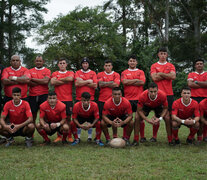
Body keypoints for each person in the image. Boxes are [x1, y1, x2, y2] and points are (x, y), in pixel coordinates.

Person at [150, 47, 176, 142]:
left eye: (165, 54)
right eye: (161, 53)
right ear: (158, 55)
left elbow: (173, 76)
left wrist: (160, 73)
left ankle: (171, 137)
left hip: (169, 94)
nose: (163, 55)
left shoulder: (171, 65)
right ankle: (154, 137)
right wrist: (166, 75)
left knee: (168, 117)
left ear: (167, 55)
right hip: (158, 94)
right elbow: (154, 78)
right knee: (157, 115)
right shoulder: (153, 66)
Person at [121, 55, 146, 144]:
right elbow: (124, 82)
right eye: (130, 61)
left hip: (139, 98)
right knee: (127, 118)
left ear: (136, 62)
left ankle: (141, 137)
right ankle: (125, 137)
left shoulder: (141, 72)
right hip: (128, 99)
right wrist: (136, 80)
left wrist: (130, 81)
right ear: (128, 62)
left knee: (140, 119)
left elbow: (142, 82)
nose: (132, 62)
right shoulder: (124, 72)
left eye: (134, 61)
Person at [51, 58, 74, 143]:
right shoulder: (55, 73)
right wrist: (65, 80)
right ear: (58, 65)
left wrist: (58, 80)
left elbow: (70, 79)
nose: (62, 64)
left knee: (68, 118)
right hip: (58, 100)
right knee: (58, 118)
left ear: (66, 64)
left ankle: (69, 136)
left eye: (64, 63)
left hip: (68, 99)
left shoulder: (70, 72)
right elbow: (53, 82)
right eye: (60, 63)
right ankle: (59, 136)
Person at [74, 57, 97, 141]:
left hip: (91, 98)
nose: (85, 65)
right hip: (79, 98)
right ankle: (78, 137)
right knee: (78, 118)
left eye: (86, 63)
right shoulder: (77, 72)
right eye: (83, 63)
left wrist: (82, 81)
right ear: (81, 64)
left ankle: (90, 137)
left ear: (88, 64)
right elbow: (77, 84)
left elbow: (95, 85)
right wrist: (88, 81)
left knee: (90, 118)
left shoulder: (93, 73)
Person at [187, 58, 207, 142]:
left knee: (205, 118)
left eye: (201, 63)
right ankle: (192, 136)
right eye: (197, 64)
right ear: (195, 65)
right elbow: (189, 84)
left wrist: (196, 82)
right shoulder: (191, 74)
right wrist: (203, 84)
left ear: (203, 65)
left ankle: (204, 136)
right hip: (194, 99)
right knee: (195, 118)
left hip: (205, 98)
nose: (199, 65)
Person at [97, 59, 120, 128]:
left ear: (112, 66)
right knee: (101, 119)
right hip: (102, 100)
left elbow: (116, 85)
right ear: (104, 66)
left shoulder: (116, 74)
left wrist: (105, 83)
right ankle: (99, 137)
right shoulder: (100, 74)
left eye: (109, 66)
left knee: (114, 119)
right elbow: (100, 84)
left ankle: (114, 136)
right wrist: (111, 82)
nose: (107, 67)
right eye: (106, 66)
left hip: (112, 100)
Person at [28, 55, 51, 123]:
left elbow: (46, 81)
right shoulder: (30, 71)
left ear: (43, 62)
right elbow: (28, 82)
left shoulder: (47, 71)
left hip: (44, 95)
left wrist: (33, 79)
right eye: (37, 61)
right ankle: (31, 131)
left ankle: (43, 130)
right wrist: (41, 81)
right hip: (33, 95)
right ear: (35, 62)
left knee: (44, 114)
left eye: (40, 61)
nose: (38, 62)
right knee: (33, 114)